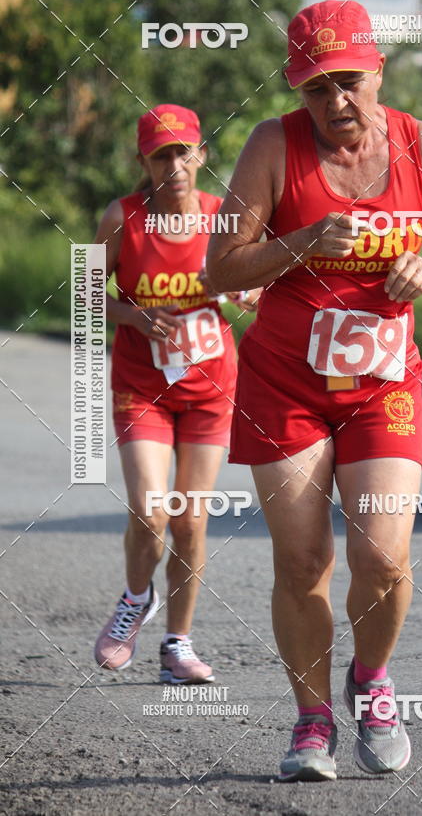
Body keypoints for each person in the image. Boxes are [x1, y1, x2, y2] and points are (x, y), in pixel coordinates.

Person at [207, 1, 422, 778]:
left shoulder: (420, 144)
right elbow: (220, 269)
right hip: (284, 381)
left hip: (382, 381)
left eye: (349, 83)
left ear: (379, 72)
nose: (335, 103)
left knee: (385, 556)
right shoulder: (272, 146)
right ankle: (312, 720)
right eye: (316, 87)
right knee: (301, 561)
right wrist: (299, 242)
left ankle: (371, 679)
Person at [93, 103, 259, 683]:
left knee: (190, 519)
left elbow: (252, 280)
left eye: (184, 151)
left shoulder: (222, 218)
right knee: (149, 508)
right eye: (162, 154)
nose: (175, 164)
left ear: (201, 155)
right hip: (143, 387)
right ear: (144, 160)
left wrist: (247, 292)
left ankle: (177, 646)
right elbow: (84, 296)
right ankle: (135, 600)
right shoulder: (122, 218)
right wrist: (133, 316)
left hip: (211, 387)